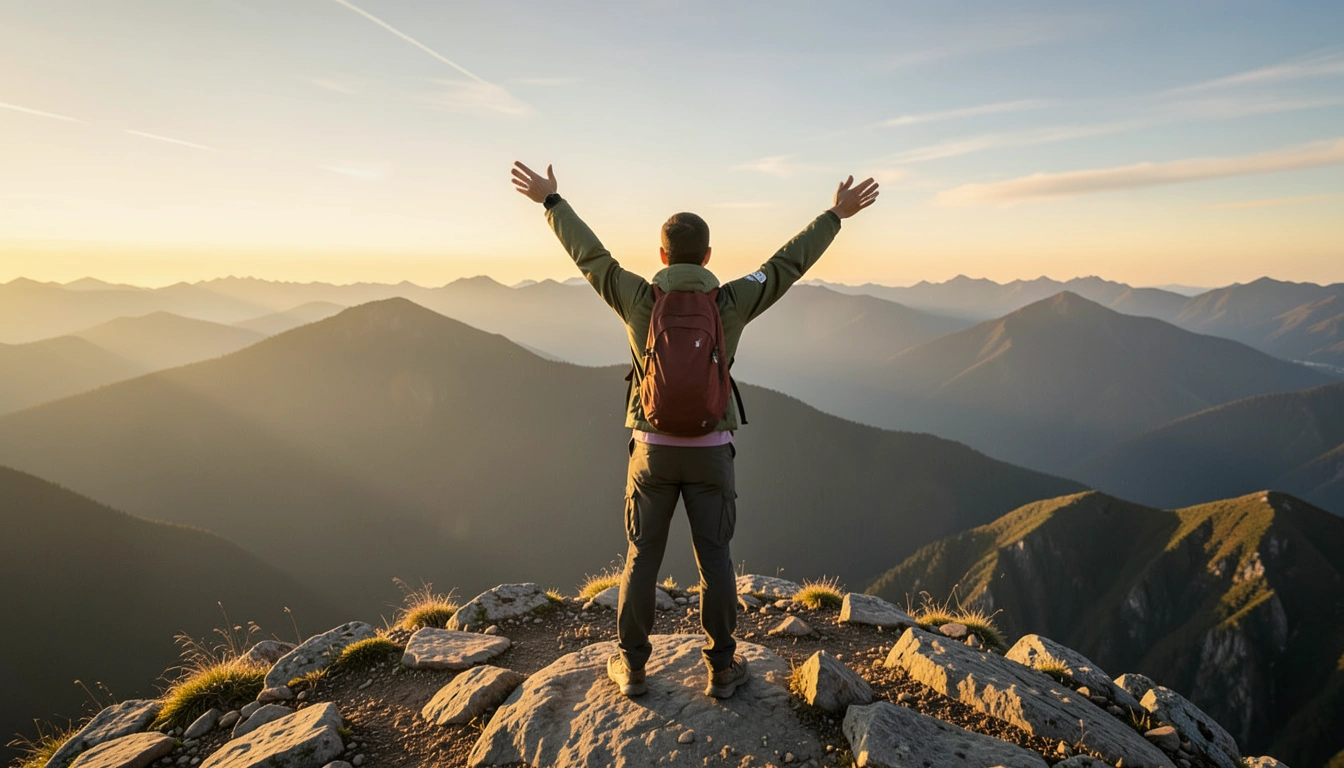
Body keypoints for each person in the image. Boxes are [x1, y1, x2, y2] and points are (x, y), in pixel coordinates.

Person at [511, 161, 879, 698]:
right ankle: (722, 669)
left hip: (652, 453)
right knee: (716, 560)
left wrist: (552, 202)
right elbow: (784, 266)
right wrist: (835, 215)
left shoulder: (638, 298)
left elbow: (590, 256)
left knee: (641, 558)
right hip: (711, 453)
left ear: (662, 256)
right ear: (708, 257)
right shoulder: (730, 301)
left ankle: (633, 667)